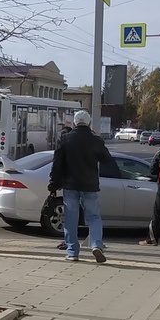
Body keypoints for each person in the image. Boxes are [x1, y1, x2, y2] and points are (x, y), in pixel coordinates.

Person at [48, 110, 111, 263]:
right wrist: (97, 141)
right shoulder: (95, 140)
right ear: (89, 123)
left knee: (71, 218)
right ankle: (96, 244)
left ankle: (72, 252)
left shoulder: (65, 139)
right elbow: (107, 160)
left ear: (75, 123)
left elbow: (57, 164)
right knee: (94, 217)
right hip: (90, 185)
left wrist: (53, 183)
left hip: (70, 185)